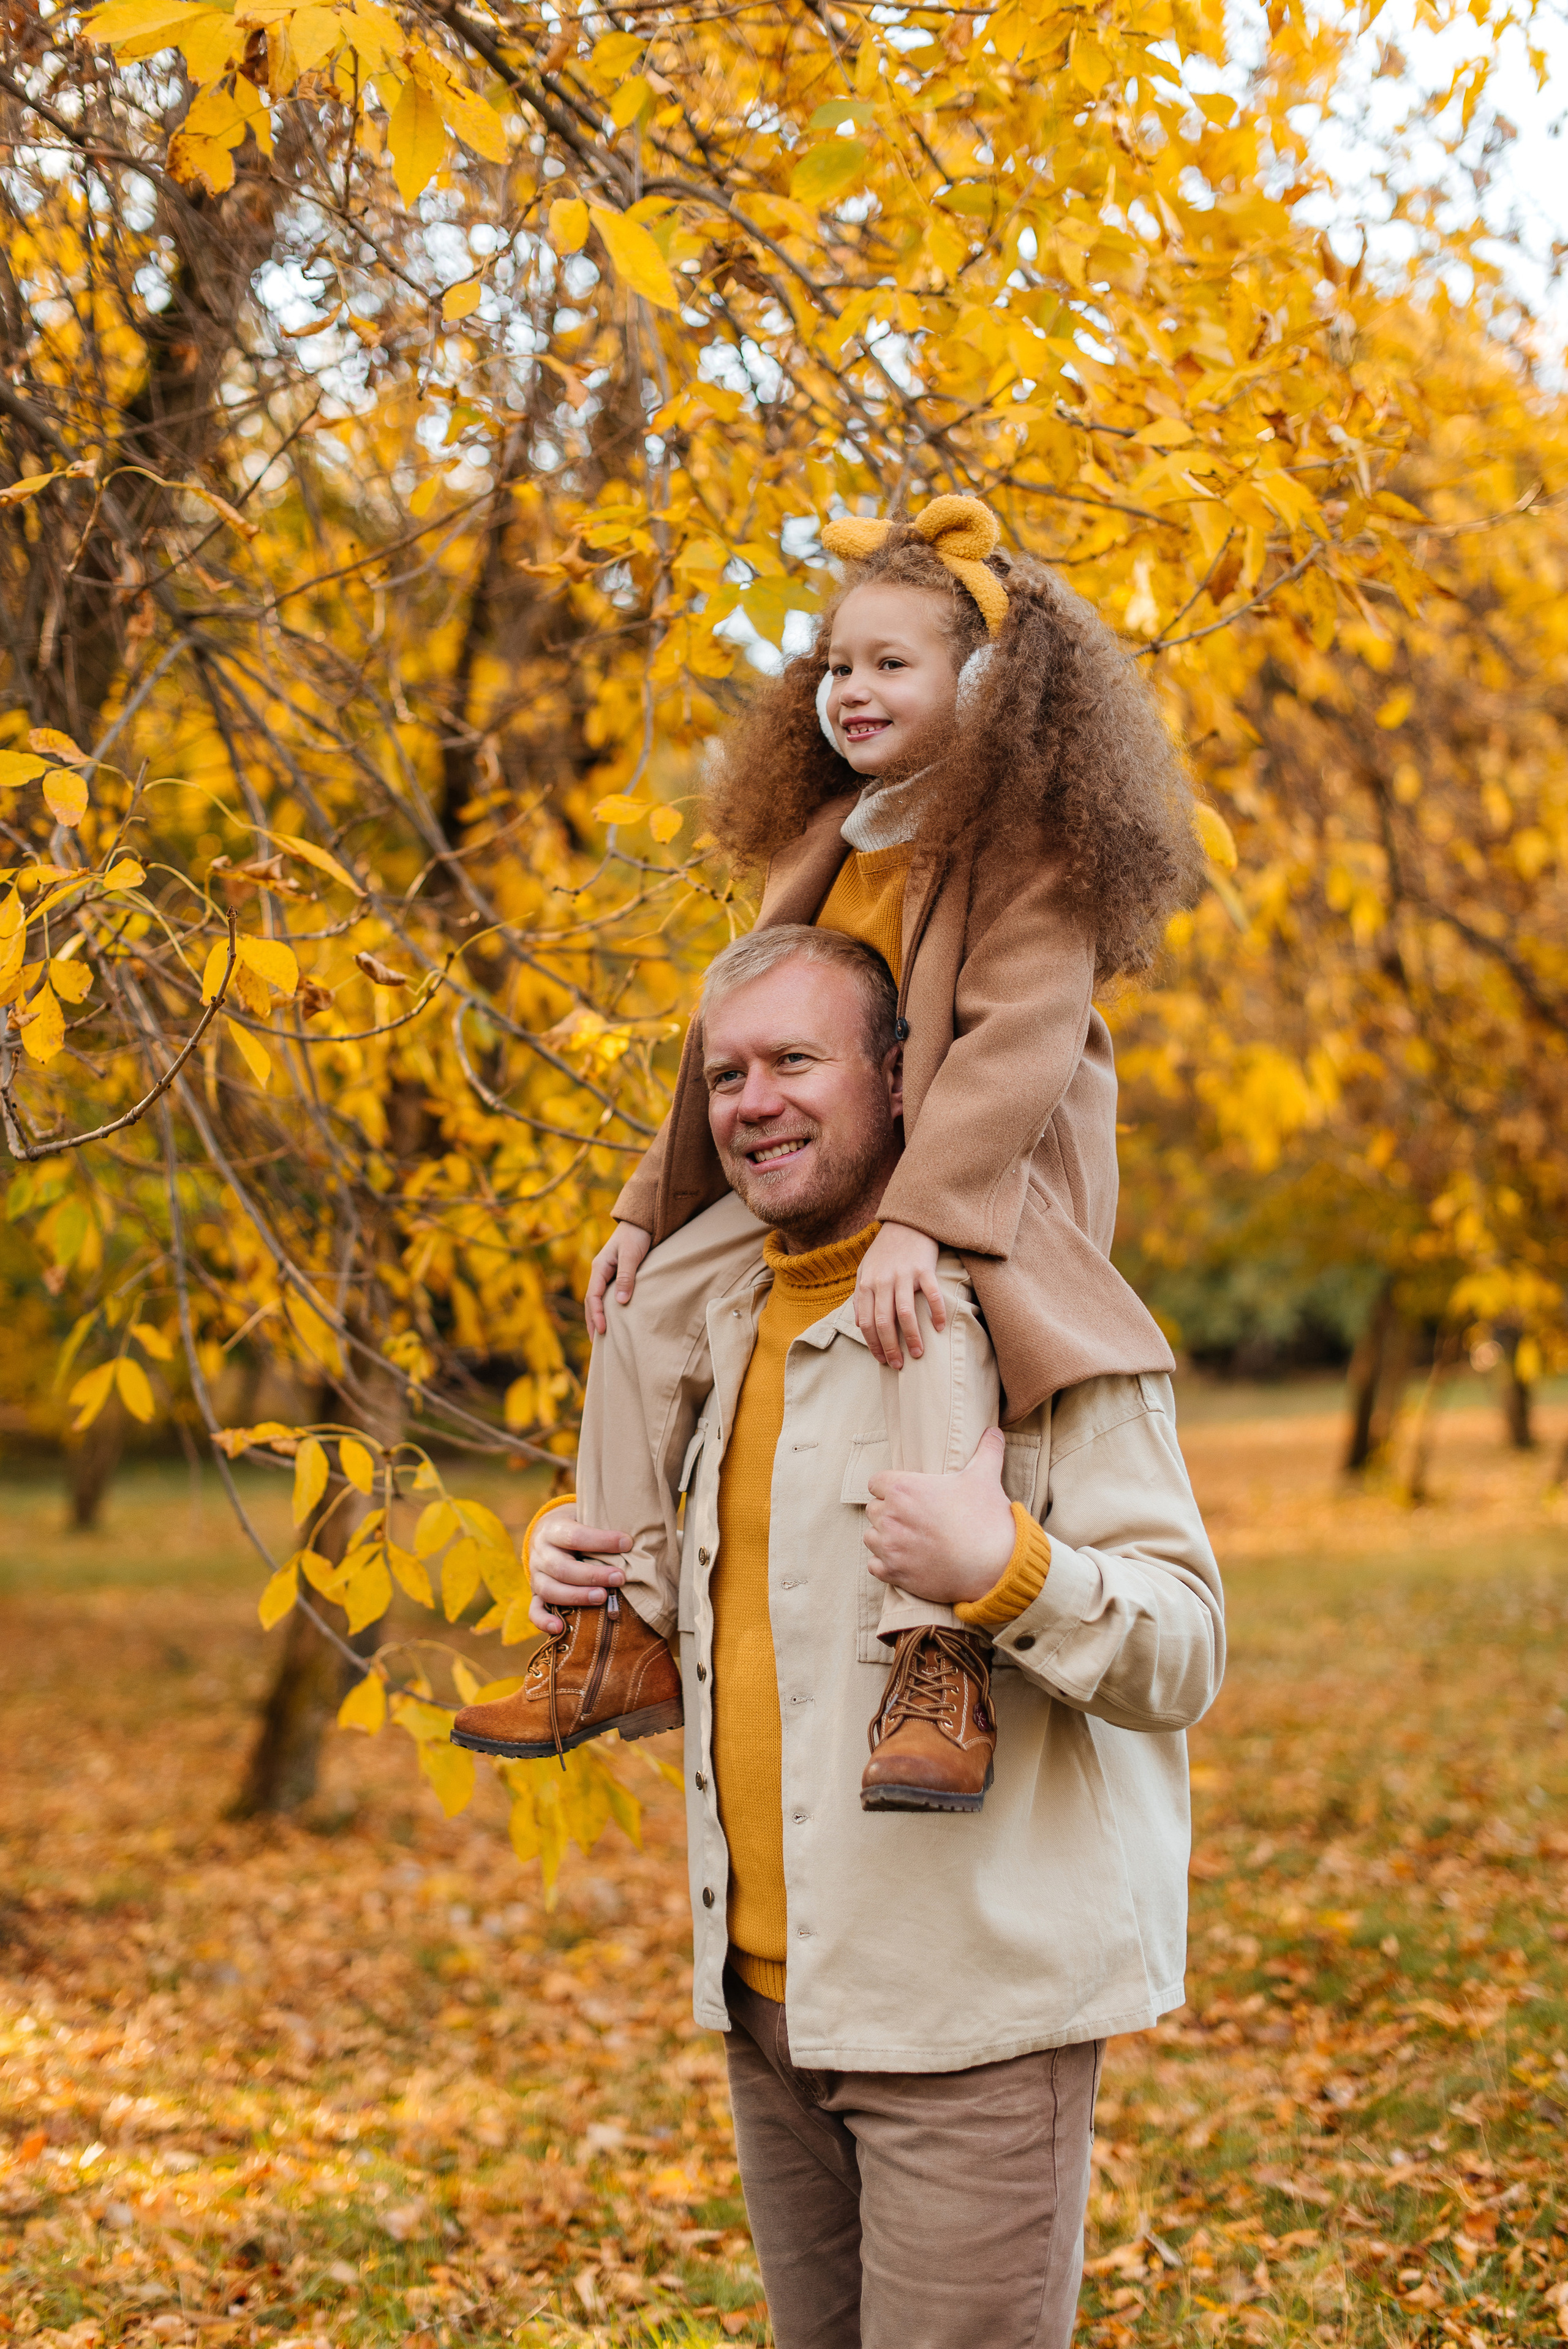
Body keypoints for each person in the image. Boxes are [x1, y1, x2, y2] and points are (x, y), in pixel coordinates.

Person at [461, 940, 1224, 2349]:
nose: (751, 1101)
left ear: (896, 1076)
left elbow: (1183, 1647)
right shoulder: (719, 1322)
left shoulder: (1035, 1327)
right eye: (725, 1074)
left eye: (793, 1062)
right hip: (770, 2010)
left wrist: (1007, 1572)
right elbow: (760, 1619)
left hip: (967, 2031)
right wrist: (579, 1562)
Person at [453, 491, 1200, 1794]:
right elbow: (739, 1036)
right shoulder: (831, 840)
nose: (849, 691)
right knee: (642, 1304)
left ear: (986, 687)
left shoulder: (1025, 848)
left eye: (889, 664)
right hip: (851, 1163)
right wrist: (645, 1209)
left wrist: (917, 1219)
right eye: (836, 666)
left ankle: (935, 1651)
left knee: (928, 1316)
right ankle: (618, 1616)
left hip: (986, 1174)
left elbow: (1014, 1050)